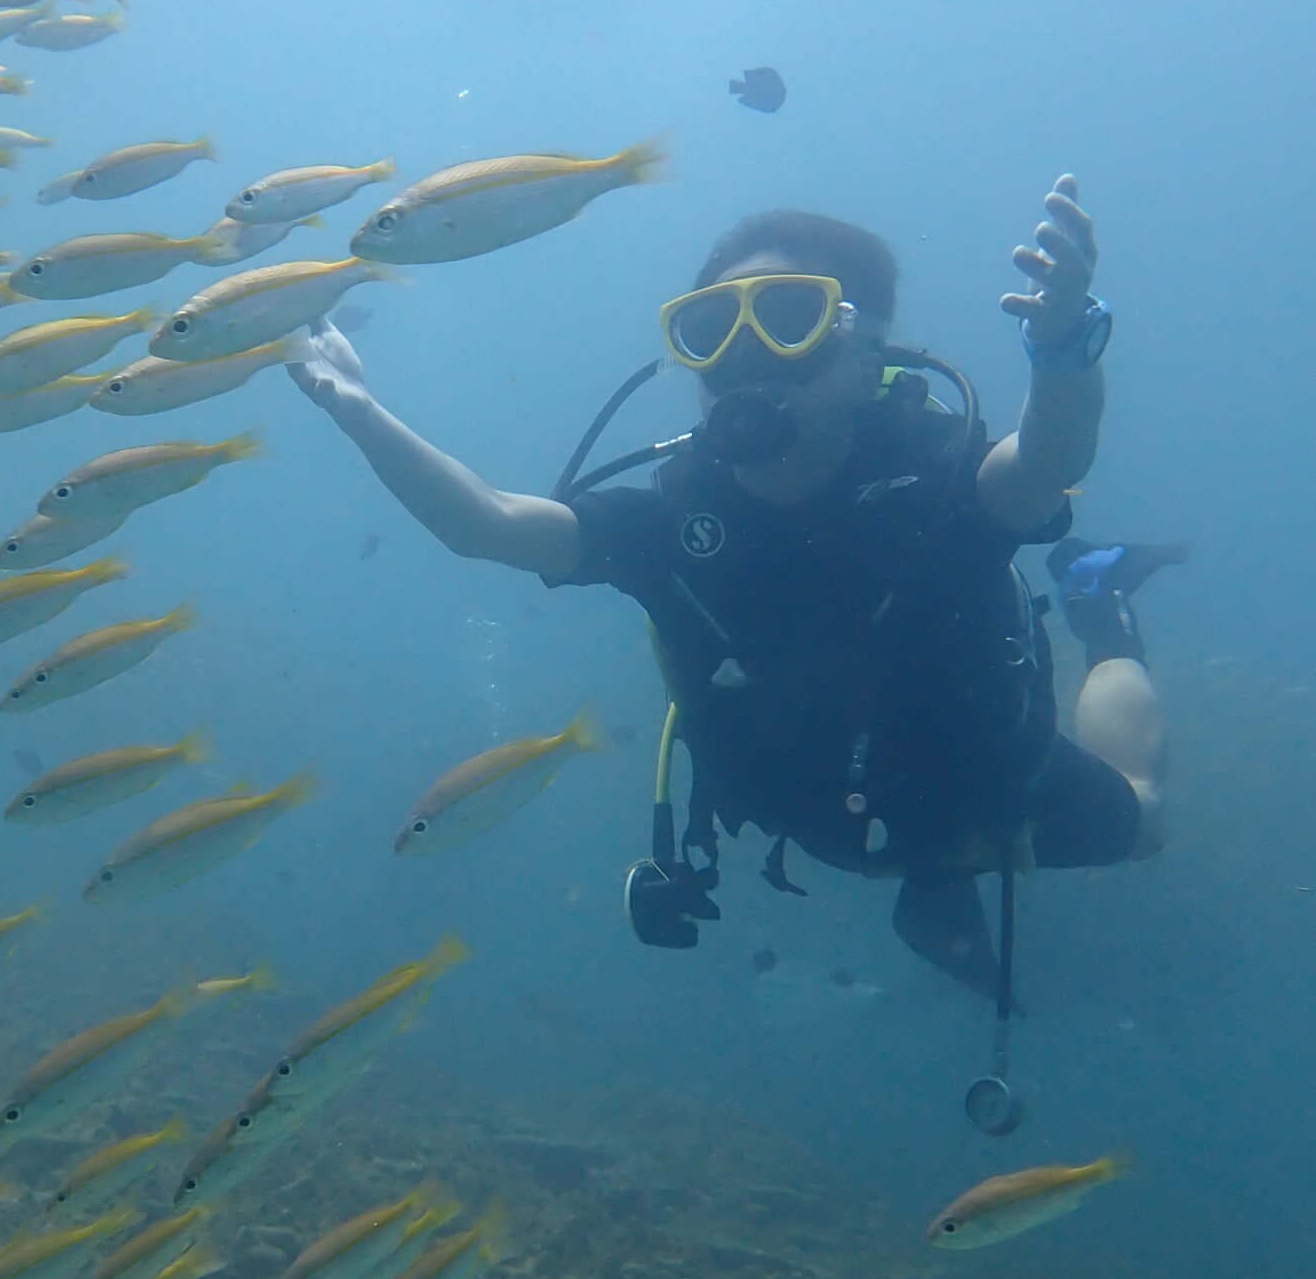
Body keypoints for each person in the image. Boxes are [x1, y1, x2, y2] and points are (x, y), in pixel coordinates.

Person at [285, 175, 1182, 994]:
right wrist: (361, 414)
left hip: (996, 782)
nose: (746, 357)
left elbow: (1050, 460)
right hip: (823, 823)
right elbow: (486, 526)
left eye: (789, 318)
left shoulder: (936, 480)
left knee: (1144, 824)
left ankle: (1100, 607)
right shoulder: (673, 525)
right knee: (920, 864)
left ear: (869, 357)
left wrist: (1065, 350)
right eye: (711, 331)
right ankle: (933, 878)